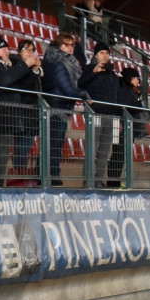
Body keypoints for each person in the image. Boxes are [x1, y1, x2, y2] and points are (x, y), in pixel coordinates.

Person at [0, 33, 39, 186]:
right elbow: (4, 81)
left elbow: (19, 85)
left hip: (7, 116)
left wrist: (32, 71)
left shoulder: (3, 65)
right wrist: (23, 65)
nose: (8, 52)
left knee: (2, 154)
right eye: (5, 49)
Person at [42, 32, 91, 186]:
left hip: (62, 107)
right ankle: (52, 177)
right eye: (66, 44)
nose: (70, 48)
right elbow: (68, 90)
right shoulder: (57, 63)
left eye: (72, 45)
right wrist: (85, 94)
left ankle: (51, 176)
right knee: (54, 145)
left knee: (54, 144)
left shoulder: (67, 62)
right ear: (58, 45)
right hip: (56, 108)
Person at [78, 41, 121, 188]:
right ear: (95, 55)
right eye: (102, 52)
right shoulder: (88, 69)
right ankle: (88, 181)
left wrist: (118, 115)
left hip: (111, 116)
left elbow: (117, 95)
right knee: (92, 149)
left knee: (105, 151)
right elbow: (79, 84)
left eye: (107, 53)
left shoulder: (113, 75)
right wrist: (93, 72)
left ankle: (99, 180)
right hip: (95, 114)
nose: (105, 55)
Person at [107, 67, 147, 187]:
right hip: (123, 125)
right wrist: (140, 104)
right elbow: (125, 106)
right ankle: (113, 181)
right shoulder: (125, 90)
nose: (137, 81)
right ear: (130, 78)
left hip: (129, 126)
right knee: (118, 154)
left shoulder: (132, 90)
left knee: (121, 154)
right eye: (135, 78)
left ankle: (115, 180)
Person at [12, 39, 43, 176]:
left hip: (32, 115)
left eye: (32, 50)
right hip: (21, 114)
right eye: (26, 49)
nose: (30, 53)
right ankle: (19, 176)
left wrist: (36, 70)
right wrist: (34, 70)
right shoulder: (16, 64)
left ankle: (21, 175)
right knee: (21, 148)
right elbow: (24, 87)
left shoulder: (32, 69)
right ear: (19, 51)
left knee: (25, 147)